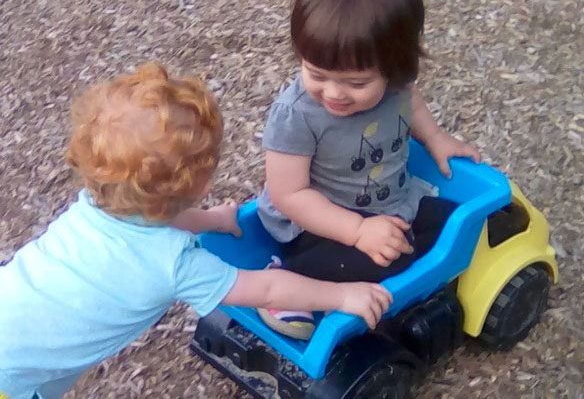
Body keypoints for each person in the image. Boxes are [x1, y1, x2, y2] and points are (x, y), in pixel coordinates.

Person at [0, 63, 392, 399]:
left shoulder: (94, 204)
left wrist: (211, 221)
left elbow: (152, 217)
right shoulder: (177, 264)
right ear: (201, 184)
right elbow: (269, 289)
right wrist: (342, 295)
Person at [257, 0, 480, 339]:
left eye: (356, 83)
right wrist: (358, 231)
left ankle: (405, 260)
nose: (333, 93)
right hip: (320, 226)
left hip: (391, 204)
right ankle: (285, 283)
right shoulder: (297, 115)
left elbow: (411, 102)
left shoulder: (396, 83)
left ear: (396, 66)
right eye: (316, 74)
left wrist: (435, 137)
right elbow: (289, 194)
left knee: (458, 224)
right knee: (382, 261)